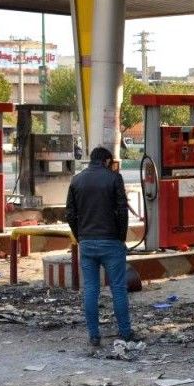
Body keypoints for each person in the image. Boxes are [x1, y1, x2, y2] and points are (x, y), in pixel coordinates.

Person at [65, 146, 136, 347]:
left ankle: (94, 336)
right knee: (118, 289)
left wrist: (80, 237)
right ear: (106, 161)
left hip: (87, 243)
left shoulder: (76, 180)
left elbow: (70, 213)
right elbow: (122, 211)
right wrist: (121, 237)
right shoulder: (114, 178)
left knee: (90, 289)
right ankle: (125, 332)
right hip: (111, 241)